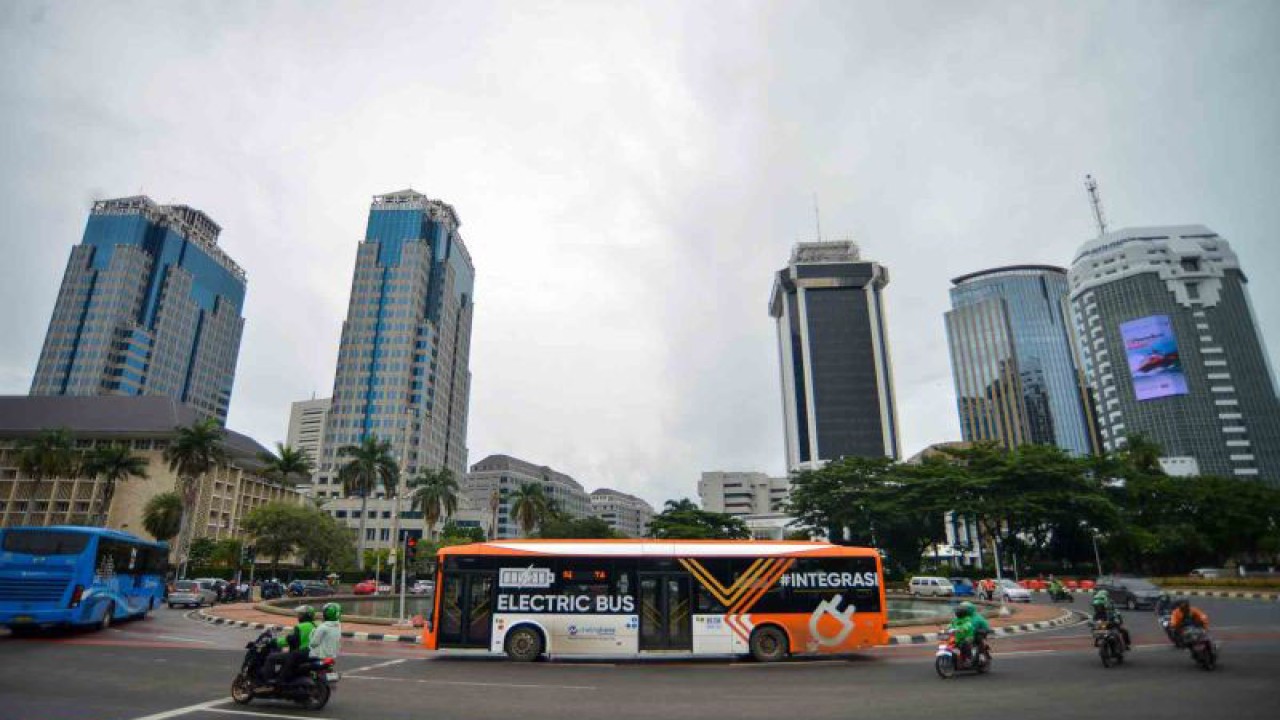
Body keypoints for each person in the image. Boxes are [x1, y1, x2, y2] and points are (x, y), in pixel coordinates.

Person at [263, 605, 317, 684]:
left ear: (306, 616)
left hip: (300, 653)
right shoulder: (315, 625)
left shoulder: (300, 627)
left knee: (271, 658)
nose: (298, 617)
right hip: (311, 653)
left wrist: (275, 642)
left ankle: (270, 681)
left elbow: (290, 640)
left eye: (300, 615)